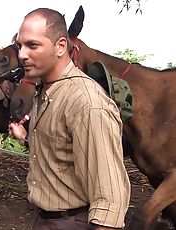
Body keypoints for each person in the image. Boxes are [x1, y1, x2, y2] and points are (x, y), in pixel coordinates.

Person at [9, 8, 131, 230]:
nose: (22, 55)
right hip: (46, 219)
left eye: (33, 45)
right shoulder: (46, 92)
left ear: (61, 46)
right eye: (20, 46)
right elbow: (61, 150)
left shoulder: (87, 102)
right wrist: (26, 138)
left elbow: (109, 199)